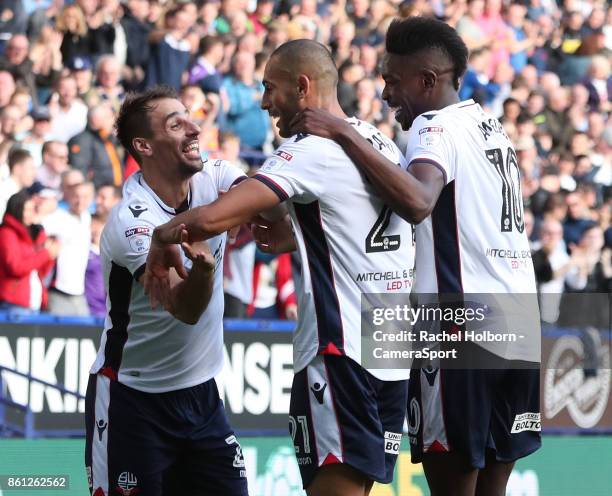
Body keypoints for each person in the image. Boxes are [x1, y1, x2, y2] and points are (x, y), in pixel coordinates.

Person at [145, 40, 415, 496]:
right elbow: (363, 217)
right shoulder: (376, 139)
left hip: (341, 351)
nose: (266, 101)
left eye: (271, 88)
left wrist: (162, 234)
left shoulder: (312, 148)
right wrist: (303, 231)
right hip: (389, 351)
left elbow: (215, 217)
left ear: (302, 87)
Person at [288, 17, 541, 496]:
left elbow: (419, 202)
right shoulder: (490, 127)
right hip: (519, 325)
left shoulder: (434, 126)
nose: (386, 94)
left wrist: (344, 133)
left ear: (428, 80)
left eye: (393, 80)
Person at [85, 85, 248, 496]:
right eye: (177, 124)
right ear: (144, 145)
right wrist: (205, 268)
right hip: (132, 399)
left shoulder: (216, 174)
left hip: (203, 395)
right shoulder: (130, 221)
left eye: (190, 118)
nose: (195, 129)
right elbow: (185, 307)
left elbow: (274, 207)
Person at [0, 189, 60, 313]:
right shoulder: (7, 234)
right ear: (17, 210)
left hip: (33, 302)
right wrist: (45, 254)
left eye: (33, 209)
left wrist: (50, 255)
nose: (31, 214)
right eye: (27, 210)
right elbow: (15, 267)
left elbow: (39, 272)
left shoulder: (29, 234)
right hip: (15, 305)